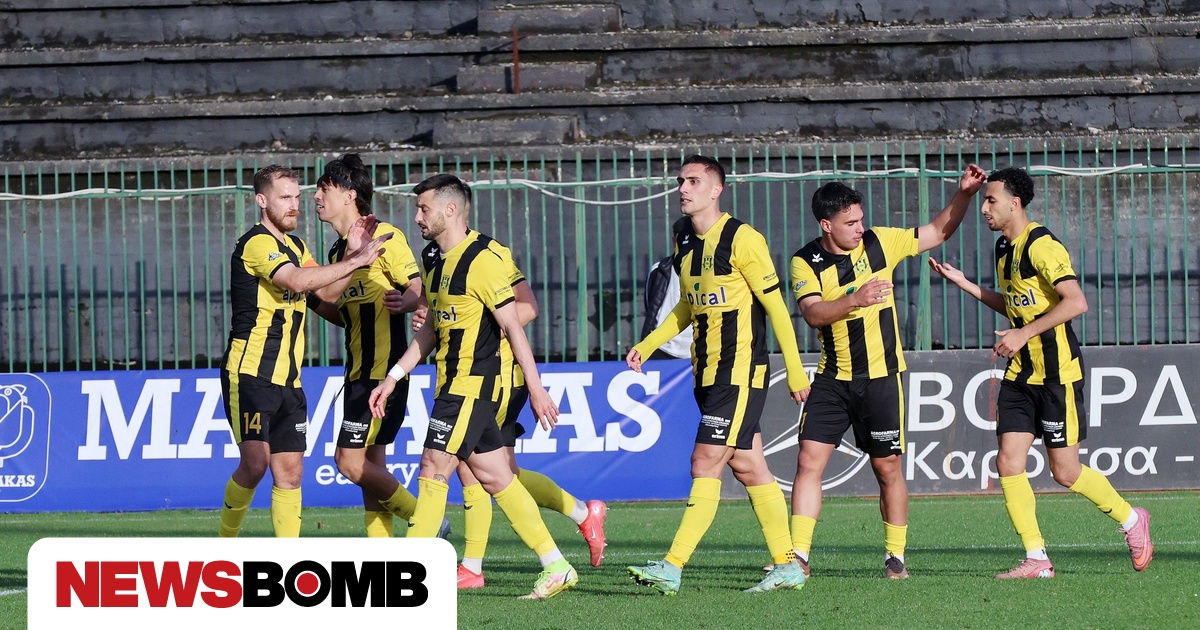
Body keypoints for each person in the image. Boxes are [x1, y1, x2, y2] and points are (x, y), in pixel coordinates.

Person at [929, 166, 1152, 579]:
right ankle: (1036, 558)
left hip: (1056, 374)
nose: (984, 208)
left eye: (991, 200)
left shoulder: (1042, 246)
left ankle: (1131, 519)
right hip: (1020, 373)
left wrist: (1023, 333)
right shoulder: (1003, 247)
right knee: (1008, 462)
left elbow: (1076, 302)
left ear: (1015, 204)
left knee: (1065, 472)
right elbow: (1015, 305)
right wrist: (965, 284)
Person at [368, 173, 577, 600]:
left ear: (450, 210)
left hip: (471, 386)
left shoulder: (483, 260)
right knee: (497, 478)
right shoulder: (433, 259)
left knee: (432, 468)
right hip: (450, 384)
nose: (417, 217)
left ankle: (402, 580)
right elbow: (430, 331)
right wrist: (393, 377)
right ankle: (556, 565)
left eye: (423, 208)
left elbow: (514, 328)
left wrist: (536, 390)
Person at [624, 154, 812, 595]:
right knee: (749, 466)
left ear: (716, 189)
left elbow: (776, 309)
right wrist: (647, 344)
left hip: (739, 370)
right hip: (706, 373)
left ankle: (672, 566)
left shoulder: (743, 238)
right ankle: (788, 566)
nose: (683, 188)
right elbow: (687, 307)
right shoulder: (686, 245)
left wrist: (796, 371)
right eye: (680, 181)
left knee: (704, 462)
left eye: (693, 181)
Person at [787, 164, 986, 579]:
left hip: (881, 379)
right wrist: (855, 299)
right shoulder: (805, 262)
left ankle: (895, 557)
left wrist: (964, 193)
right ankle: (799, 557)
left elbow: (937, 232)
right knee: (808, 462)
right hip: (832, 379)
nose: (860, 228)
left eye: (861, 219)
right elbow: (813, 314)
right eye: (850, 223)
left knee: (887, 468)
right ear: (826, 225)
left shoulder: (880, 242)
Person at [218, 164, 392, 538]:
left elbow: (325, 292)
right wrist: (356, 260)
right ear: (261, 201)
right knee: (255, 464)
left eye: (297, 197)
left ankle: (288, 557)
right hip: (251, 372)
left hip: (289, 379)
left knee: (291, 471)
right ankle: (224, 543)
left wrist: (353, 253)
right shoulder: (256, 243)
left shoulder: (297, 247)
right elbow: (297, 280)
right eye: (285, 197)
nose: (294, 205)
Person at [434, 247, 608, 588]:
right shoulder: (437, 255)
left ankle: (472, 567)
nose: (419, 221)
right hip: (473, 378)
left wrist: (482, 328)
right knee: (501, 472)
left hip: (499, 377)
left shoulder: (489, 253)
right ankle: (583, 514)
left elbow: (527, 307)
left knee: (474, 467)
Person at [308, 154, 449, 538]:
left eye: (324, 189)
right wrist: (310, 298)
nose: (316, 196)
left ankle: (428, 520)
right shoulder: (339, 254)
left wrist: (411, 301)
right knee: (372, 468)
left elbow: (416, 286)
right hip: (357, 373)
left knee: (347, 462)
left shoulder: (384, 235)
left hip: (382, 373)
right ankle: (382, 552)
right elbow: (344, 313)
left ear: (349, 194)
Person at [642, 217, 692, 360]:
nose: (686, 242)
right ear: (674, 240)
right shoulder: (659, 270)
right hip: (662, 349)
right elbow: (651, 306)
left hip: (698, 348)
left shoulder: (709, 270)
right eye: (681, 238)